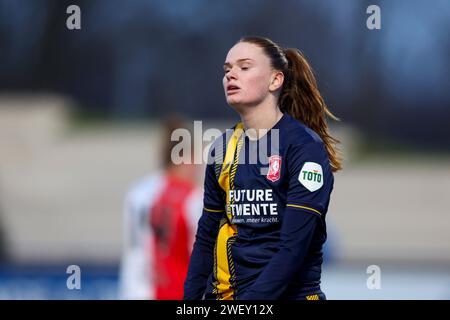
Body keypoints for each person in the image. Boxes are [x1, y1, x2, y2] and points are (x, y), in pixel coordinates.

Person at [184, 36, 342, 300]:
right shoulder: (222, 148)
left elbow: (293, 247)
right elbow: (206, 237)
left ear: (275, 80)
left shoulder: (304, 147)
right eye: (227, 70)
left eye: (244, 67)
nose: (231, 75)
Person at [119, 117, 202, 300]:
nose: (198, 167)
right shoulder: (194, 199)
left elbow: (134, 250)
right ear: (185, 156)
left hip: (135, 292)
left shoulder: (137, 192)